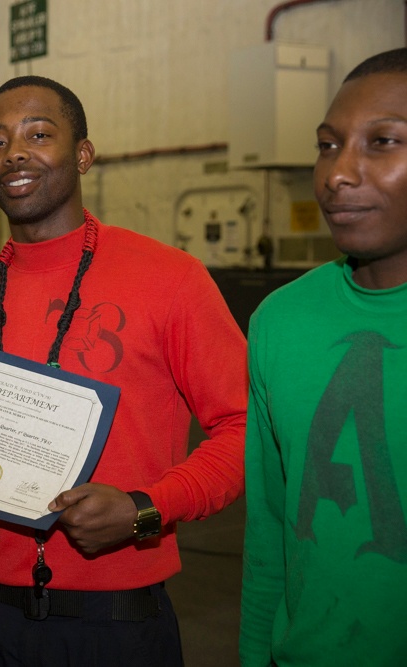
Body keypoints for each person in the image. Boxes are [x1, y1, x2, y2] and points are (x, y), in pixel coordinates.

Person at [0, 75, 248, 666]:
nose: (14, 152)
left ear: (84, 154)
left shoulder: (171, 280)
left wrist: (144, 509)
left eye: (38, 134)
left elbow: (243, 433)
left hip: (117, 625)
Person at [240, 48, 407, 667]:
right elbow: (270, 531)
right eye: (328, 145)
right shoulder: (280, 321)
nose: (338, 173)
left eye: (383, 141)